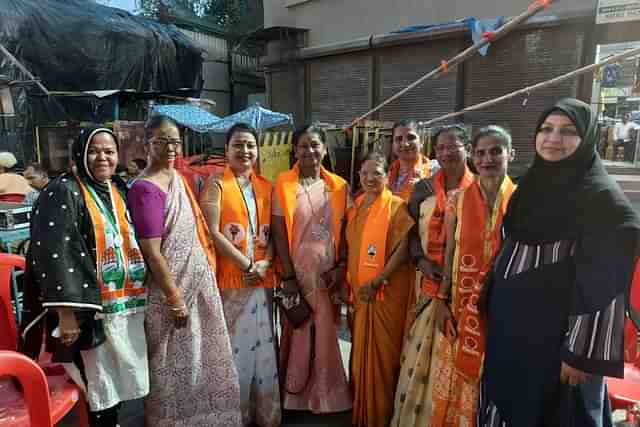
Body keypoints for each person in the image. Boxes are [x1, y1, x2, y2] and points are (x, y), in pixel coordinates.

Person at [478, 99, 640, 427]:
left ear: (588, 139)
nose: (553, 138)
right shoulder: (530, 187)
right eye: (545, 129)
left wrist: (580, 356)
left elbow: (604, 285)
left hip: (558, 349)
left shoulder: (602, 201)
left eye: (568, 132)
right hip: (512, 335)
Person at [19, 127, 149, 427]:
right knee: (97, 389)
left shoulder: (117, 188)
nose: (102, 157)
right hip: (85, 313)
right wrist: (66, 314)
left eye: (109, 151)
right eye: (94, 150)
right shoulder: (63, 190)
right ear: (80, 153)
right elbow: (53, 255)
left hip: (123, 308)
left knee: (113, 389)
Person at [127, 115, 241, 426]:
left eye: (175, 141)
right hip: (171, 291)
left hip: (198, 282)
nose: (171, 148)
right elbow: (152, 252)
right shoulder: (145, 188)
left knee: (203, 356)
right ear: (148, 144)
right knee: (172, 361)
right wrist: (175, 298)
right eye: (162, 141)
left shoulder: (178, 179)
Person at [390, 124, 475, 427]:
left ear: (467, 148)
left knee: (451, 362)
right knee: (417, 355)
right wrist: (421, 260)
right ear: (435, 152)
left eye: (454, 146)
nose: (448, 152)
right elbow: (409, 232)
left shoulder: (477, 189)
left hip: (463, 291)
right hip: (424, 284)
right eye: (442, 148)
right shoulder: (423, 188)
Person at [200, 123, 281, 427]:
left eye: (250, 145)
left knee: (264, 351)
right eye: (238, 145)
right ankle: (236, 417)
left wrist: (265, 263)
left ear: (257, 151)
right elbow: (212, 232)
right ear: (227, 151)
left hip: (262, 280)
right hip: (232, 282)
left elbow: (273, 233)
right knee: (235, 355)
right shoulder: (215, 185)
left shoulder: (266, 185)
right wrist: (247, 265)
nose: (245, 151)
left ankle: (266, 414)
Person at [272, 124, 352, 414]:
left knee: (326, 332)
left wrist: (341, 267)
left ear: (325, 149)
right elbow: (279, 232)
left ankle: (327, 396)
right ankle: (295, 395)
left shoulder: (339, 186)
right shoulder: (283, 183)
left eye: (315, 144)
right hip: (297, 274)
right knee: (299, 328)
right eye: (303, 145)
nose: (309, 151)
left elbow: (347, 232)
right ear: (294, 150)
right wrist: (289, 276)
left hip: (327, 274)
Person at [347, 152, 414, 427]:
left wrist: (379, 279)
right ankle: (363, 414)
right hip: (361, 295)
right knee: (361, 359)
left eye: (377, 173)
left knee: (384, 361)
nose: (369, 178)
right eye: (364, 173)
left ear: (388, 176)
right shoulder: (358, 205)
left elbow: (403, 249)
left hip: (386, 294)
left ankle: (381, 417)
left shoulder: (398, 206)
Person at [388, 119, 439, 201]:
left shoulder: (435, 170)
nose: (405, 144)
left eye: (411, 137)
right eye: (399, 139)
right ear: (393, 144)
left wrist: (425, 187)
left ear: (422, 141)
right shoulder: (386, 173)